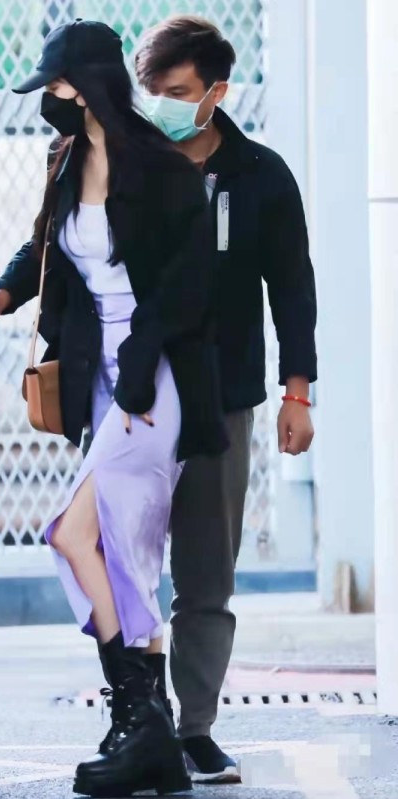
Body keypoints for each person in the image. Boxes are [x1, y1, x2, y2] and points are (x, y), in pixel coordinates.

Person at [0, 18, 229, 798]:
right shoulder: (68, 158)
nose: (48, 96)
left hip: (154, 376)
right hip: (101, 377)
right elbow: (46, 246)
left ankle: (143, 723)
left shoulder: (162, 168)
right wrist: (2, 295)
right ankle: (146, 735)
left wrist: (142, 367)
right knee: (122, 552)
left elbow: (188, 287)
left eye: (55, 83)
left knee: (72, 534)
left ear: (83, 83)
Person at [135, 15, 317, 785]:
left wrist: (297, 392)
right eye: (151, 90)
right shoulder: (123, 162)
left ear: (217, 92)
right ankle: (135, 723)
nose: (160, 104)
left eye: (176, 91)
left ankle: (195, 729)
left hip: (223, 398)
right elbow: (60, 247)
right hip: (133, 400)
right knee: (124, 570)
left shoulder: (260, 175)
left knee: (206, 577)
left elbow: (293, 288)